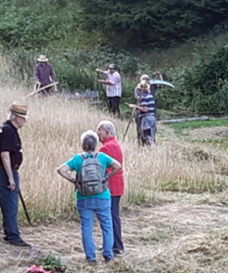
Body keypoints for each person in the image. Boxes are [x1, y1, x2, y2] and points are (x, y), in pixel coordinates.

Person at [56, 131, 122, 263]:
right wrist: (106, 178)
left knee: (86, 227)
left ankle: (91, 257)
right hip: (102, 196)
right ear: (96, 144)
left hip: (83, 197)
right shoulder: (102, 157)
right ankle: (108, 255)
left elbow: (61, 169)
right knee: (107, 226)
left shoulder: (77, 159)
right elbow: (117, 166)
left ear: (82, 145)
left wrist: (74, 181)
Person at [0, 102, 30, 247]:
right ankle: (13, 236)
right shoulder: (8, 131)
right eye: (23, 118)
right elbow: (5, 155)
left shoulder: (9, 129)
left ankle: (10, 233)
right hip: (5, 172)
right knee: (10, 204)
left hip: (6, 171)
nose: (25, 121)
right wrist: (10, 177)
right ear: (16, 118)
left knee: (10, 203)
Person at [97, 120, 124, 255]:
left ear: (106, 132)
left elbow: (101, 168)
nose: (98, 134)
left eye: (99, 130)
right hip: (118, 184)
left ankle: (115, 246)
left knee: (110, 217)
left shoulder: (105, 148)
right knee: (113, 216)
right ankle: (115, 245)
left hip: (110, 186)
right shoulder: (115, 144)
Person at [127, 79, 156, 146]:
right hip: (152, 118)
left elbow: (145, 109)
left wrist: (135, 106)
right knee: (151, 136)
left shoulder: (144, 97)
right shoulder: (150, 96)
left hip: (146, 118)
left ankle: (149, 149)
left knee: (147, 136)